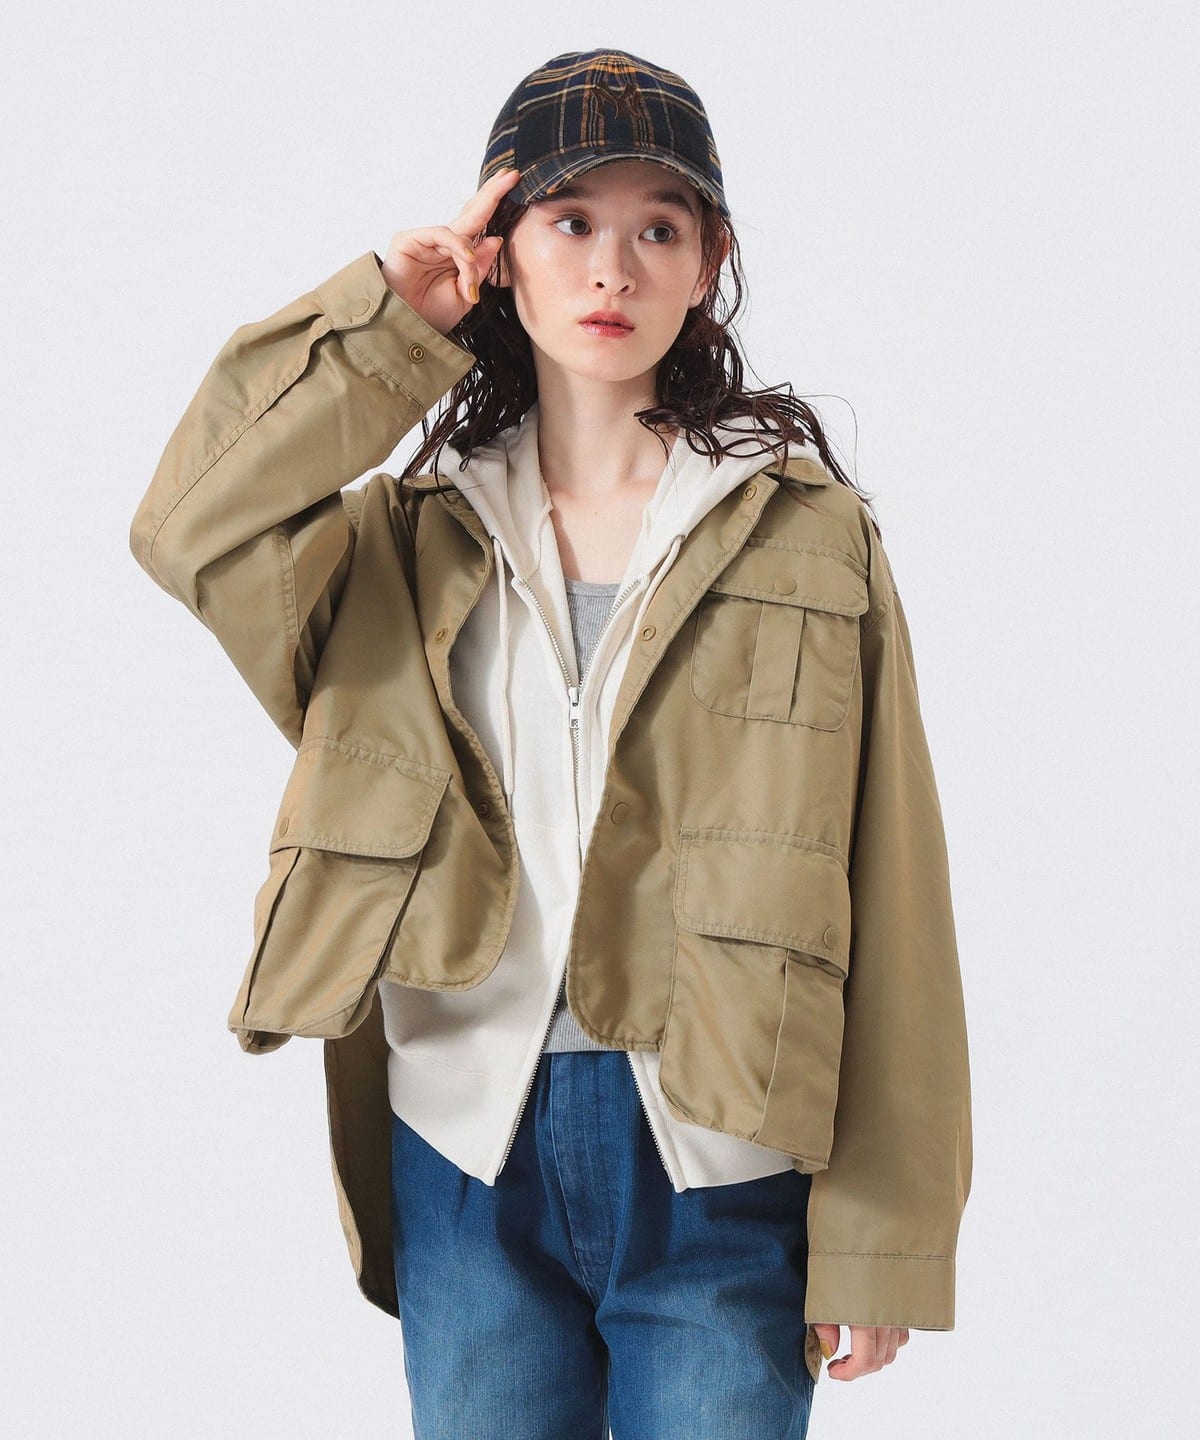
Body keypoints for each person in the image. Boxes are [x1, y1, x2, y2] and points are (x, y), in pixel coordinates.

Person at [130, 46, 972, 1440]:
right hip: (466, 1138)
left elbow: (895, 888)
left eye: (660, 228)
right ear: (500, 253)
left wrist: (881, 1233)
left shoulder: (809, 537)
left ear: (709, 264)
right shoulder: (402, 545)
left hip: (723, 1152)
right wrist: (384, 319)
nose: (613, 268)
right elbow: (187, 526)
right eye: (569, 221)